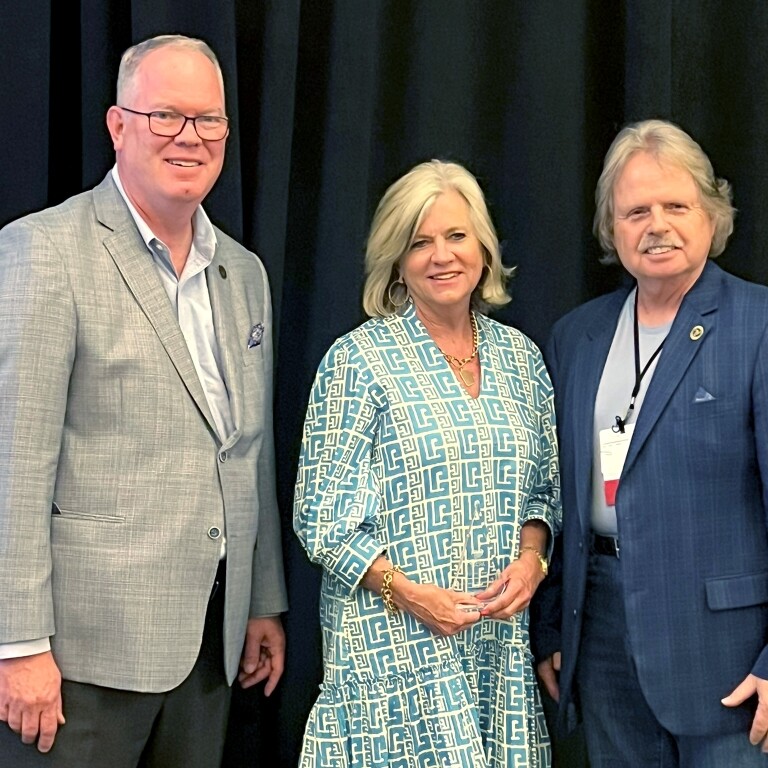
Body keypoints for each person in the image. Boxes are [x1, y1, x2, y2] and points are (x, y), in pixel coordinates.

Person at [0, 34, 287, 767]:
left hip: (206, 652)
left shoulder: (244, 274)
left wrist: (259, 600)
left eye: (208, 120)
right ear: (117, 125)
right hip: (79, 663)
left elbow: (246, 452)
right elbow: (15, 462)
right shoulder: (47, 250)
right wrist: (18, 645)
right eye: (166, 117)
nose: (190, 138)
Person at [293, 159, 561, 767]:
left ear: (484, 249)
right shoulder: (357, 361)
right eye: (419, 242)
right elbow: (320, 520)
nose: (441, 256)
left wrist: (531, 559)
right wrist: (411, 595)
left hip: (494, 649)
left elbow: (544, 492)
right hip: (394, 649)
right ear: (397, 261)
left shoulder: (521, 359)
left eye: (456, 236)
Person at [533, 118, 768, 767]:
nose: (656, 225)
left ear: (712, 214)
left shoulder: (759, 326)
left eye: (675, 206)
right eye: (636, 211)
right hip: (602, 639)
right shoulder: (576, 336)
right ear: (612, 228)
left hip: (728, 658)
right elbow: (555, 494)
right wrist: (553, 627)